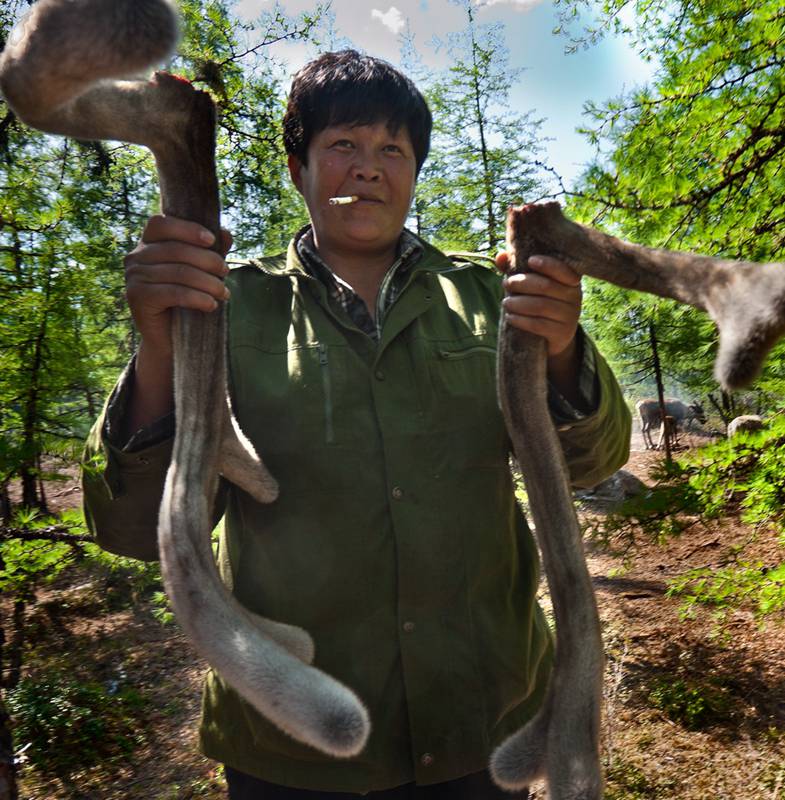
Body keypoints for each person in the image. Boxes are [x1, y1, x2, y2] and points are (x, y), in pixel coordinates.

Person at [82, 50, 630, 799]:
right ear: (296, 168)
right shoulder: (218, 309)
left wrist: (562, 351)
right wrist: (158, 346)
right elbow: (135, 531)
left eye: (391, 150)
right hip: (289, 744)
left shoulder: (495, 299)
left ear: (412, 172)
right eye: (342, 145)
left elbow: (594, 463)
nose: (368, 168)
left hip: (485, 723)